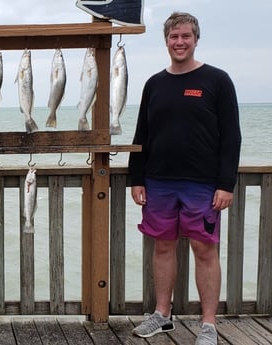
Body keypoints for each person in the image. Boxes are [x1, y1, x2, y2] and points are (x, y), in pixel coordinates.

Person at [128, 12, 241, 345]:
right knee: (162, 247)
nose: (179, 42)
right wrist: (138, 177)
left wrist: (226, 183)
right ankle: (162, 315)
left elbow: (231, 137)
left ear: (196, 39)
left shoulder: (217, 81)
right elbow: (142, 134)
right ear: (166, 41)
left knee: (204, 250)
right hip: (159, 181)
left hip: (203, 184)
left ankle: (208, 324)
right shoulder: (154, 84)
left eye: (186, 36)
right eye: (174, 36)